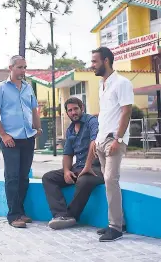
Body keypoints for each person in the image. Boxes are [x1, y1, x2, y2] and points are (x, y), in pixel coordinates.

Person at [0, 55, 42, 228]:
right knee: (12, 177)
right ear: (10, 68)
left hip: (28, 137)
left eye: (25, 67)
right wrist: (4, 135)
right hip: (10, 139)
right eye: (20, 67)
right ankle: (13, 216)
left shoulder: (28, 88)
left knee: (23, 177)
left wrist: (38, 128)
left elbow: (34, 109)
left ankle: (21, 211)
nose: (23, 71)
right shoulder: (1, 88)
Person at [91, 46, 134, 242]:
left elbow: (126, 111)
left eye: (95, 61)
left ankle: (115, 228)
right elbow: (106, 114)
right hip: (101, 140)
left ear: (106, 61)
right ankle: (118, 222)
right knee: (108, 183)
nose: (92, 65)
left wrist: (118, 138)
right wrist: (96, 139)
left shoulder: (122, 83)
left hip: (114, 140)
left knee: (110, 180)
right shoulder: (102, 85)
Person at [42, 97, 104, 230]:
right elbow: (68, 154)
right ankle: (60, 215)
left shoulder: (91, 121)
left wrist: (87, 166)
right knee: (48, 178)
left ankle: (71, 216)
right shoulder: (70, 129)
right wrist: (66, 171)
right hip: (79, 168)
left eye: (75, 109)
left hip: (96, 168)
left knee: (84, 181)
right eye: (70, 110)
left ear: (82, 108)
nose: (73, 112)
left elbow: (95, 142)